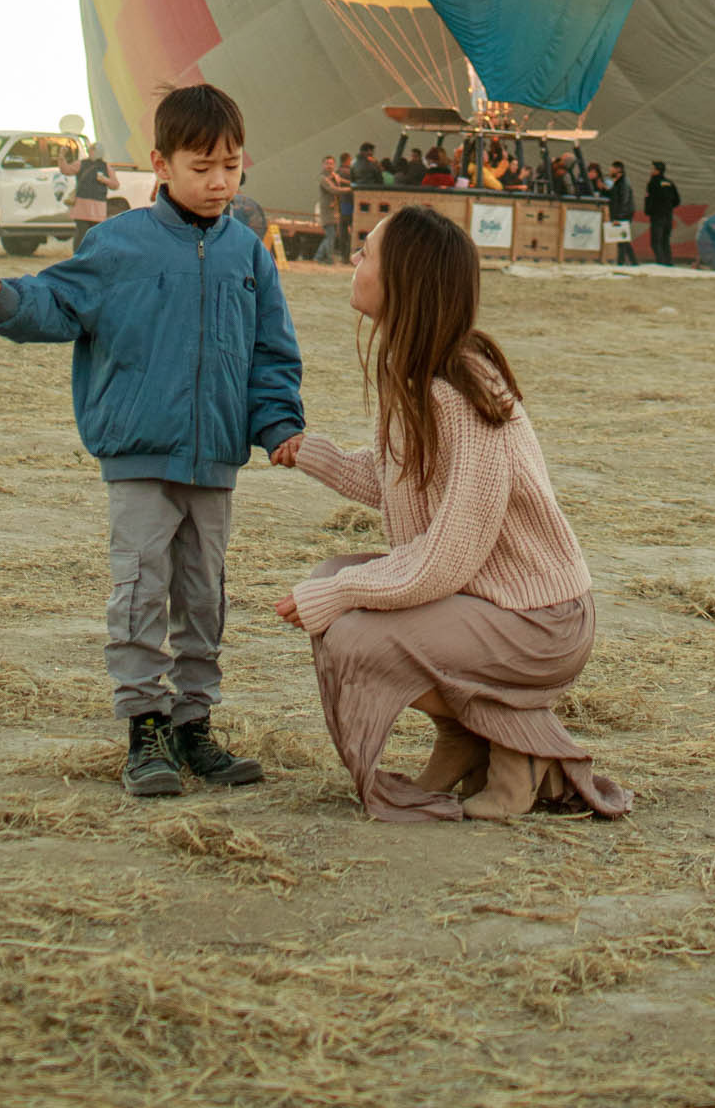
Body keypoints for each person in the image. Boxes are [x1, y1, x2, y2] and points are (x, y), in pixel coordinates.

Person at [0, 83, 303, 798]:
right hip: (140, 459)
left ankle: (194, 726)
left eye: (232, 167)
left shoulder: (248, 254)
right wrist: (6, 300)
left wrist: (278, 425)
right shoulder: (118, 244)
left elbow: (272, 351)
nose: (218, 182)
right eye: (202, 166)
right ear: (160, 164)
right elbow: (57, 301)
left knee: (204, 597)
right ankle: (144, 726)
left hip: (214, 465)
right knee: (141, 590)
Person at [269, 207, 632, 826]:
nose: (355, 262)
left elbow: (447, 557)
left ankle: (517, 749)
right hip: (490, 604)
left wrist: (339, 594)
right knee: (337, 581)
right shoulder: (419, 374)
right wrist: (313, 454)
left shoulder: (457, 395)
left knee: (352, 626)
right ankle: (469, 736)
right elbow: (399, 486)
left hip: (540, 621)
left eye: (367, 253)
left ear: (404, 280)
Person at [69, 141, 114, 254]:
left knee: (96, 234)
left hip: (98, 206)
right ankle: (78, 258)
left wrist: (104, 180)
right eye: (90, 150)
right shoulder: (82, 163)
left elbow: (115, 184)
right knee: (81, 232)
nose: (90, 152)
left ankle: (92, 257)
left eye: (92, 150)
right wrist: (61, 159)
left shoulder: (105, 166)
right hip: (82, 205)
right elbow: (66, 170)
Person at [644, 158, 681, 268]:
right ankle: (669, 263)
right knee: (665, 241)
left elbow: (650, 199)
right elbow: (677, 200)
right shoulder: (670, 183)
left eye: (652, 169)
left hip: (657, 216)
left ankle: (660, 264)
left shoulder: (653, 183)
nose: (651, 171)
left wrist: (650, 211)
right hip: (668, 216)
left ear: (657, 171)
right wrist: (668, 207)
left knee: (656, 242)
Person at [604, 157, 636, 267]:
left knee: (622, 238)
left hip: (624, 213)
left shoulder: (623, 183)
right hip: (622, 213)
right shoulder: (618, 182)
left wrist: (619, 215)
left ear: (618, 169)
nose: (609, 170)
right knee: (623, 238)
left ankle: (622, 262)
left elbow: (624, 200)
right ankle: (632, 262)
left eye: (612, 168)